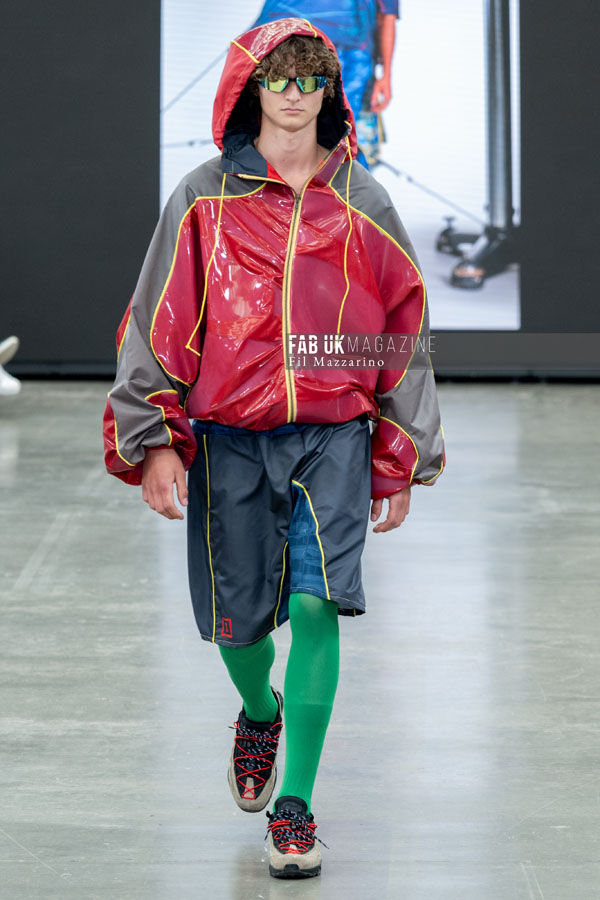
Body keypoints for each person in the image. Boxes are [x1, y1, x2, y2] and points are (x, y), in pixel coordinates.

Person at [103, 18, 444, 879]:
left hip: (334, 432)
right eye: (279, 79)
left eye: (309, 79)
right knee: (238, 625)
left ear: (331, 90)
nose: (294, 95)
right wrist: (154, 438)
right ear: (252, 88)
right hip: (230, 437)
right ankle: (260, 708)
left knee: (321, 604)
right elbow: (158, 318)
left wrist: (400, 453)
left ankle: (294, 807)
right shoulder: (201, 198)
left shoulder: (364, 202)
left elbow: (400, 331)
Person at [254, 0, 399, 167]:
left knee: (272, 124)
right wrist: (385, 75)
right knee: (341, 135)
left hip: (275, 35)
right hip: (347, 45)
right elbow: (387, 15)